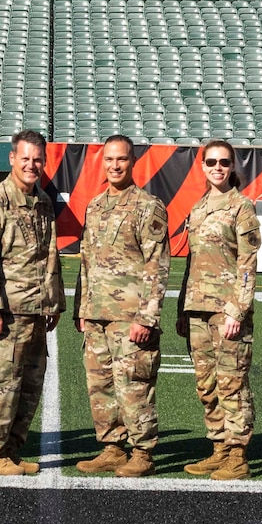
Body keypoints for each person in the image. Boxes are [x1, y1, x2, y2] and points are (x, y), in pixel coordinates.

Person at [0, 130, 65, 476]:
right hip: (6, 315)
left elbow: (49, 256)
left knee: (28, 387)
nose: (31, 165)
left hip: (36, 313)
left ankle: (10, 450)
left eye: (37, 159)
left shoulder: (41, 202)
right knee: (1, 386)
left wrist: (54, 302)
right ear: (12, 158)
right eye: (25, 158)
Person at [75, 135, 168, 478]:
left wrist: (147, 316)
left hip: (131, 317)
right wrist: (82, 310)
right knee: (100, 386)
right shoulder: (95, 205)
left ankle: (142, 451)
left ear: (133, 162)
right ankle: (112, 446)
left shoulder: (148, 206)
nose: (115, 166)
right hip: (97, 315)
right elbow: (87, 263)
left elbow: (157, 266)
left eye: (122, 160)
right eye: (110, 159)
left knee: (134, 384)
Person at [179, 140, 261, 480]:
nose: (217, 167)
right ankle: (219, 448)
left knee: (232, 384)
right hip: (198, 308)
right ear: (202, 166)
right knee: (206, 384)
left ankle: (237, 455)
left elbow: (248, 263)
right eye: (211, 161)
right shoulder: (198, 209)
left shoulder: (242, 208)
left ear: (232, 166)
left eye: (224, 162)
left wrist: (237, 310)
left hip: (227, 311)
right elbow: (192, 261)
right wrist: (182, 309)